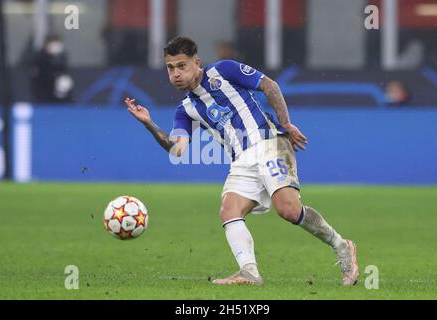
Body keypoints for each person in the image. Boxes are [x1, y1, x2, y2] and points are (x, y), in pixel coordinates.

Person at [125, 36, 359, 286]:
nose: (176, 74)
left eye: (182, 65)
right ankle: (249, 272)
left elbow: (270, 86)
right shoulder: (185, 110)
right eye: (170, 68)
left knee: (288, 210)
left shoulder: (223, 70)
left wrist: (286, 123)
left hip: (269, 142)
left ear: (197, 62)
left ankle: (342, 246)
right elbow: (177, 149)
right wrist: (149, 124)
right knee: (229, 210)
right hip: (241, 161)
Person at [30, 34, 74, 103]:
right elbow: (36, 80)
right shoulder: (40, 59)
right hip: (44, 97)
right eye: (52, 44)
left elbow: (65, 74)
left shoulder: (62, 58)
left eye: (56, 44)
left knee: (64, 82)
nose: (55, 47)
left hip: (62, 100)